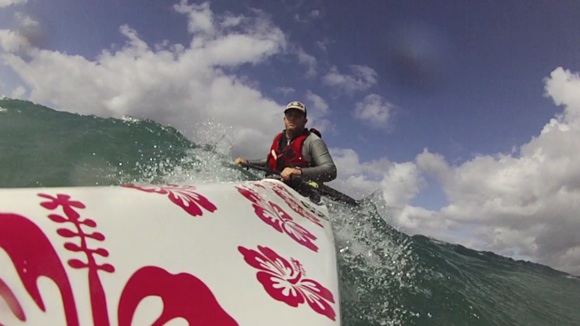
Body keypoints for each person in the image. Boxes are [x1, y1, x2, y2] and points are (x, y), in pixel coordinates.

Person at [234, 101, 337, 188]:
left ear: (304, 121)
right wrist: (248, 162)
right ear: (284, 119)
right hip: (274, 186)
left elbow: (330, 170)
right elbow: (270, 161)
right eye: (289, 115)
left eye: (297, 116)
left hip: (305, 193)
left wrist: (298, 172)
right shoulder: (279, 139)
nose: (292, 118)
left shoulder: (313, 141)